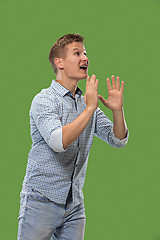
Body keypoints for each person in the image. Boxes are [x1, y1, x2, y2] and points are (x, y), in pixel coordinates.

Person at [17, 33, 129, 240]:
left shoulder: (87, 103)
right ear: (59, 62)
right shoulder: (44, 100)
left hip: (74, 204)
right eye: (77, 53)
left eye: (85, 53)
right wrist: (90, 108)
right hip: (41, 200)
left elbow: (118, 139)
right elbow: (59, 142)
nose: (85, 58)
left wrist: (117, 111)